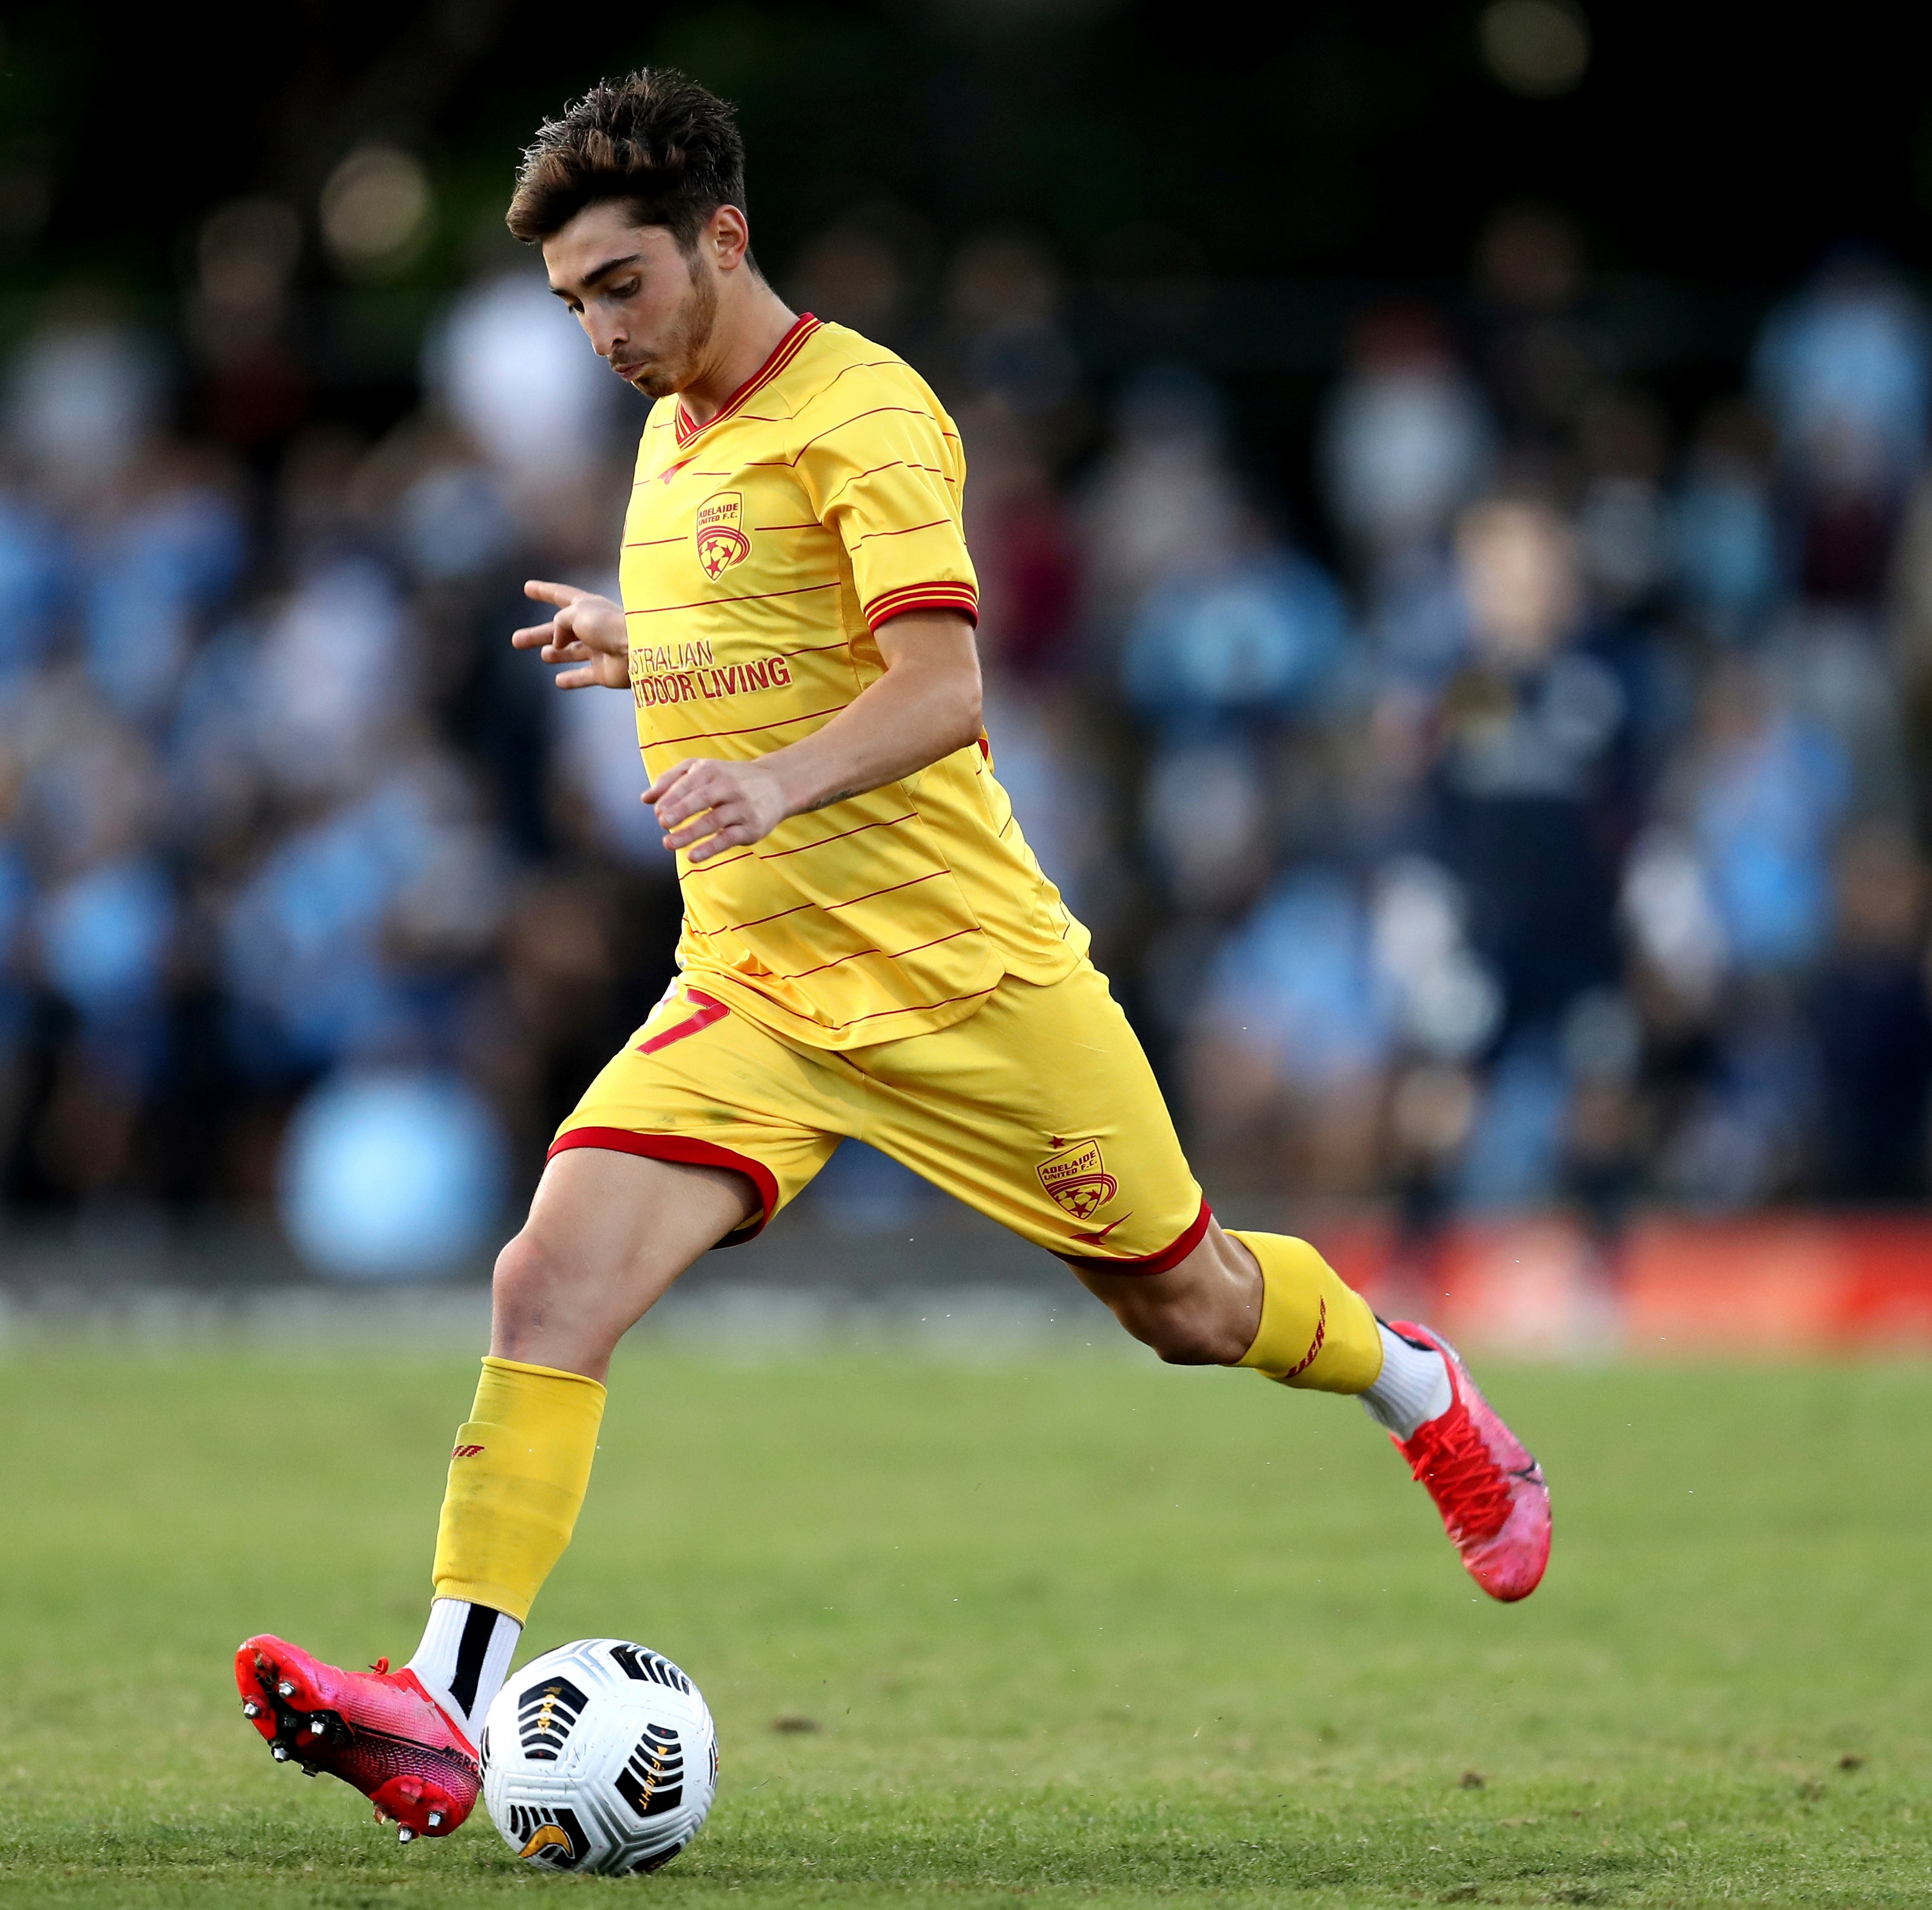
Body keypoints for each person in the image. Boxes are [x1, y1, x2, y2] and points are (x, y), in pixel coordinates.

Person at [230, 70, 1552, 1847]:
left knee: (1186, 1306)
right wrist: (653, 648)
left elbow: (942, 686)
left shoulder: (864, 412)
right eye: (569, 306)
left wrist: (768, 774)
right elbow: (771, 613)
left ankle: (1422, 1391)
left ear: (723, 240)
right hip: (754, 989)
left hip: (964, 983)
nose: (597, 334)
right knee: (546, 1285)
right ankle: (443, 1709)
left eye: (619, 286)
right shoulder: (672, 421)